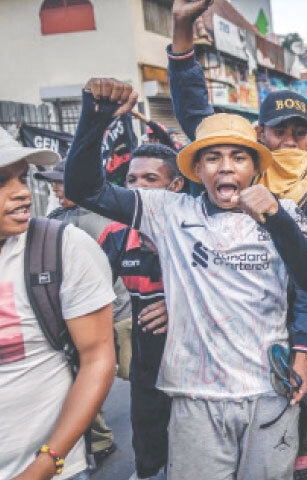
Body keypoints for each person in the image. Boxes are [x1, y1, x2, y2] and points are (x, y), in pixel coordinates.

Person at [65, 79, 307, 480]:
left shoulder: (284, 210)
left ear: (255, 167)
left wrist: (276, 220)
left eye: (238, 157)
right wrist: (94, 121)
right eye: (213, 157)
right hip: (195, 398)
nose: (225, 167)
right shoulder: (167, 211)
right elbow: (84, 189)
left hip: (269, 394)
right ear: (197, 169)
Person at [168, 3, 307, 477]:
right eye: (279, 132)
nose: (289, 142)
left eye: (299, 132)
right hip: (243, 343)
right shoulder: (233, 178)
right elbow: (196, 116)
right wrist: (183, 31)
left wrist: (305, 346)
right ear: (260, 136)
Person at [0, 127, 117, 480]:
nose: (22, 193)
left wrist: (47, 462)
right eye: (2, 182)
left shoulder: (60, 246)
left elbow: (98, 356)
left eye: (21, 178)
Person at [35, 159, 133, 465]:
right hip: (76, 320)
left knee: (138, 376)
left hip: (121, 316)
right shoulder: (54, 219)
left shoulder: (109, 217)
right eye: (53, 182)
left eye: (61, 182)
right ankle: (101, 441)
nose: (56, 187)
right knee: (84, 378)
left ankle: (163, 433)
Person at [97, 143, 183, 480]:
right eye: (132, 179)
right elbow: (90, 294)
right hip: (147, 359)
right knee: (147, 436)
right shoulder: (116, 234)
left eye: (150, 178)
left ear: (175, 186)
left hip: (200, 360)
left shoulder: (198, 228)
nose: (138, 187)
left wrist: (177, 305)